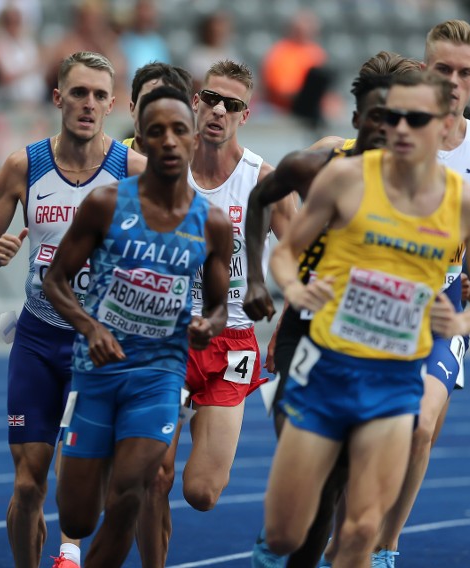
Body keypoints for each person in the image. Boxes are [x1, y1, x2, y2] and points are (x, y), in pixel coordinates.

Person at [262, 70, 470, 566]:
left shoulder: (467, 204)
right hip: (324, 372)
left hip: (393, 385)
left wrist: (460, 322)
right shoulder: (345, 178)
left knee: (362, 531)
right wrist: (295, 287)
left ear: (443, 125)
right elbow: (286, 253)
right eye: (393, 118)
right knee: (285, 534)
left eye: (416, 119)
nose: (401, 130)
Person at [244, 51, 423, 568]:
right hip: (306, 334)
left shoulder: (416, 183)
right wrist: (260, 278)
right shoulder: (316, 165)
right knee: (313, 479)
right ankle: (276, 545)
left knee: (336, 480)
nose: (388, 127)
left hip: (370, 344)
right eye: (377, 116)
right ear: (356, 118)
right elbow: (260, 199)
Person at [42, 85, 233, 568]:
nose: (168, 141)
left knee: (131, 490)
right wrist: (90, 328)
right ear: (142, 142)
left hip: (159, 375)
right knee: (80, 516)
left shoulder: (211, 223)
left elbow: (217, 309)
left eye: (178, 131)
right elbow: (56, 281)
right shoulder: (106, 204)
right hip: (99, 371)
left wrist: (207, 327)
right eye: (156, 132)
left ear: (193, 140)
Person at [0, 51, 145, 568]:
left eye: (98, 96)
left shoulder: (133, 170)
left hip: (102, 344)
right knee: (28, 483)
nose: (87, 104)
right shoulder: (25, 165)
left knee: (94, 487)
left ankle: (73, 548)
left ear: (112, 105)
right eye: (78, 93)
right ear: (58, 98)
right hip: (39, 339)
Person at [364, 20, 470, 566]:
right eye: (442, 69)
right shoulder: (388, 134)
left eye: (464, 72)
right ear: (423, 69)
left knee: (423, 426)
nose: (453, 81)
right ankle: (341, 534)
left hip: (445, 303)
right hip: (377, 300)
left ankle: (386, 547)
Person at [136, 59, 295, 567]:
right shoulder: (159, 166)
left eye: (232, 104)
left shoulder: (263, 181)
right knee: (152, 477)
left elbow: (300, 260)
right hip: (166, 335)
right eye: (211, 99)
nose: (218, 111)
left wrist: (287, 320)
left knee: (202, 492)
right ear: (195, 102)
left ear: (244, 115)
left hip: (231, 343)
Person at [121, 62, 194, 153]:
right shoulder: (107, 162)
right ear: (132, 108)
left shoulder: (197, 164)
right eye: (148, 100)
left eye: (168, 103)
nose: (158, 110)